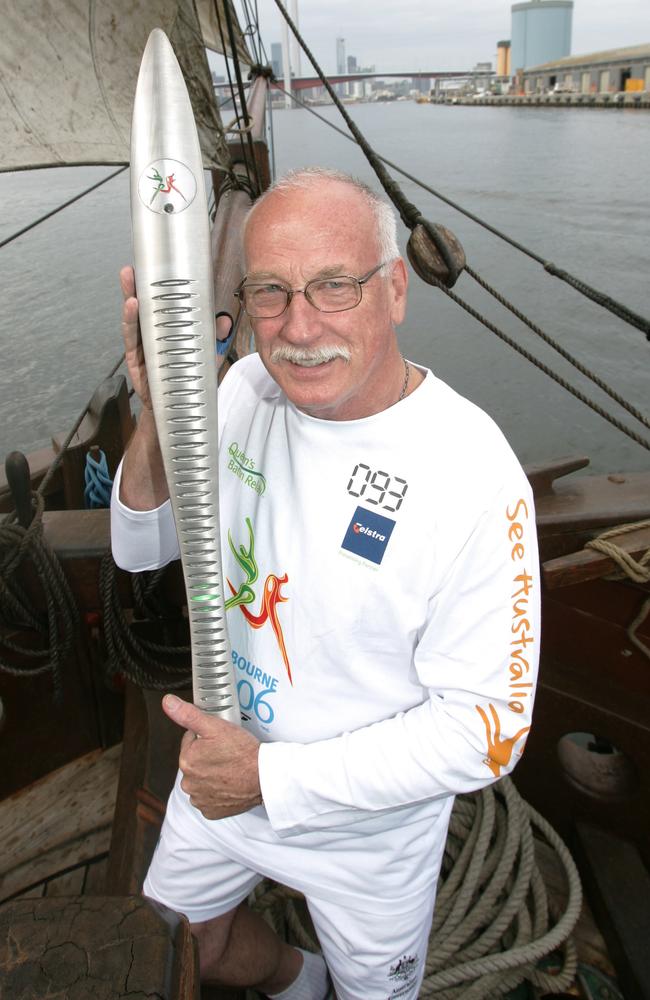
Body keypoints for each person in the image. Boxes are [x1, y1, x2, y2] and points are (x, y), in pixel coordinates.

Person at [111, 167, 540, 1000]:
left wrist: (273, 779)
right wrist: (160, 415)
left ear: (397, 289)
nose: (298, 326)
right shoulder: (242, 391)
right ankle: (294, 979)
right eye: (269, 290)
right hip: (220, 775)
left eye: (333, 286)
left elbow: (488, 728)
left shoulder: (473, 475)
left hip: (367, 838)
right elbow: (139, 546)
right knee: (177, 946)